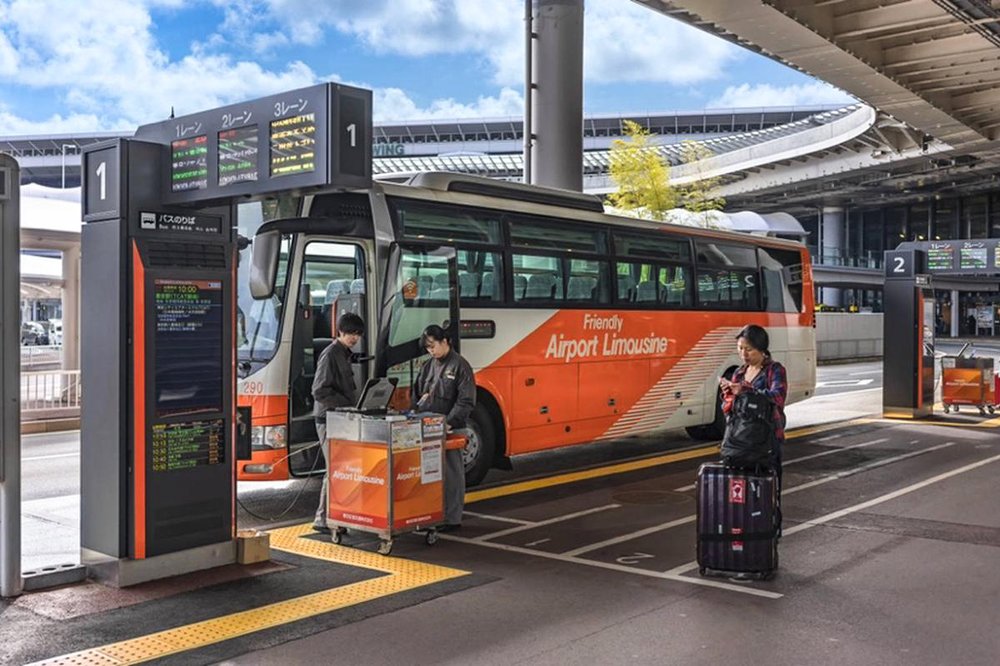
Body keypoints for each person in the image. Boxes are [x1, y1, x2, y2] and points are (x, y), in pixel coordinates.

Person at [718, 324, 788, 535]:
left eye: (748, 349)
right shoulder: (739, 373)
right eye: (740, 348)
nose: (743, 354)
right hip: (740, 442)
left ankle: (767, 534)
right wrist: (728, 394)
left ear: (762, 349)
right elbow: (730, 410)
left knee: (766, 491)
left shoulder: (774, 370)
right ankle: (742, 530)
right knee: (739, 493)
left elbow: (778, 397)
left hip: (767, 442)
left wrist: (746, 390)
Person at [411, 324, 476, 531]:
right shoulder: (428, 366)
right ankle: (433, 514)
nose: (430, 350)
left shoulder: (460, 366)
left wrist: (449, 422)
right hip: (428, 429)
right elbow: (417, 394)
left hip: (451, 429)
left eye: (433, 346)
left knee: (452, 475)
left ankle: (452, 518)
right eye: (427, 347)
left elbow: (466, 400)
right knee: (431, 475)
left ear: (445, 341)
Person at [311, 311, 365, 533]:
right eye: (350, 333)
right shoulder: (331, 354)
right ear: (340, 332)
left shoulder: (344, 353)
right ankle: (323, 518)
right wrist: (345, 404)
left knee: (341, 467)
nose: (354, 338)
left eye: (358, 334)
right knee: (334, 468)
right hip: (328, 419)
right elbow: (319, 390)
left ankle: (337, 516)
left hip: (340, 417)